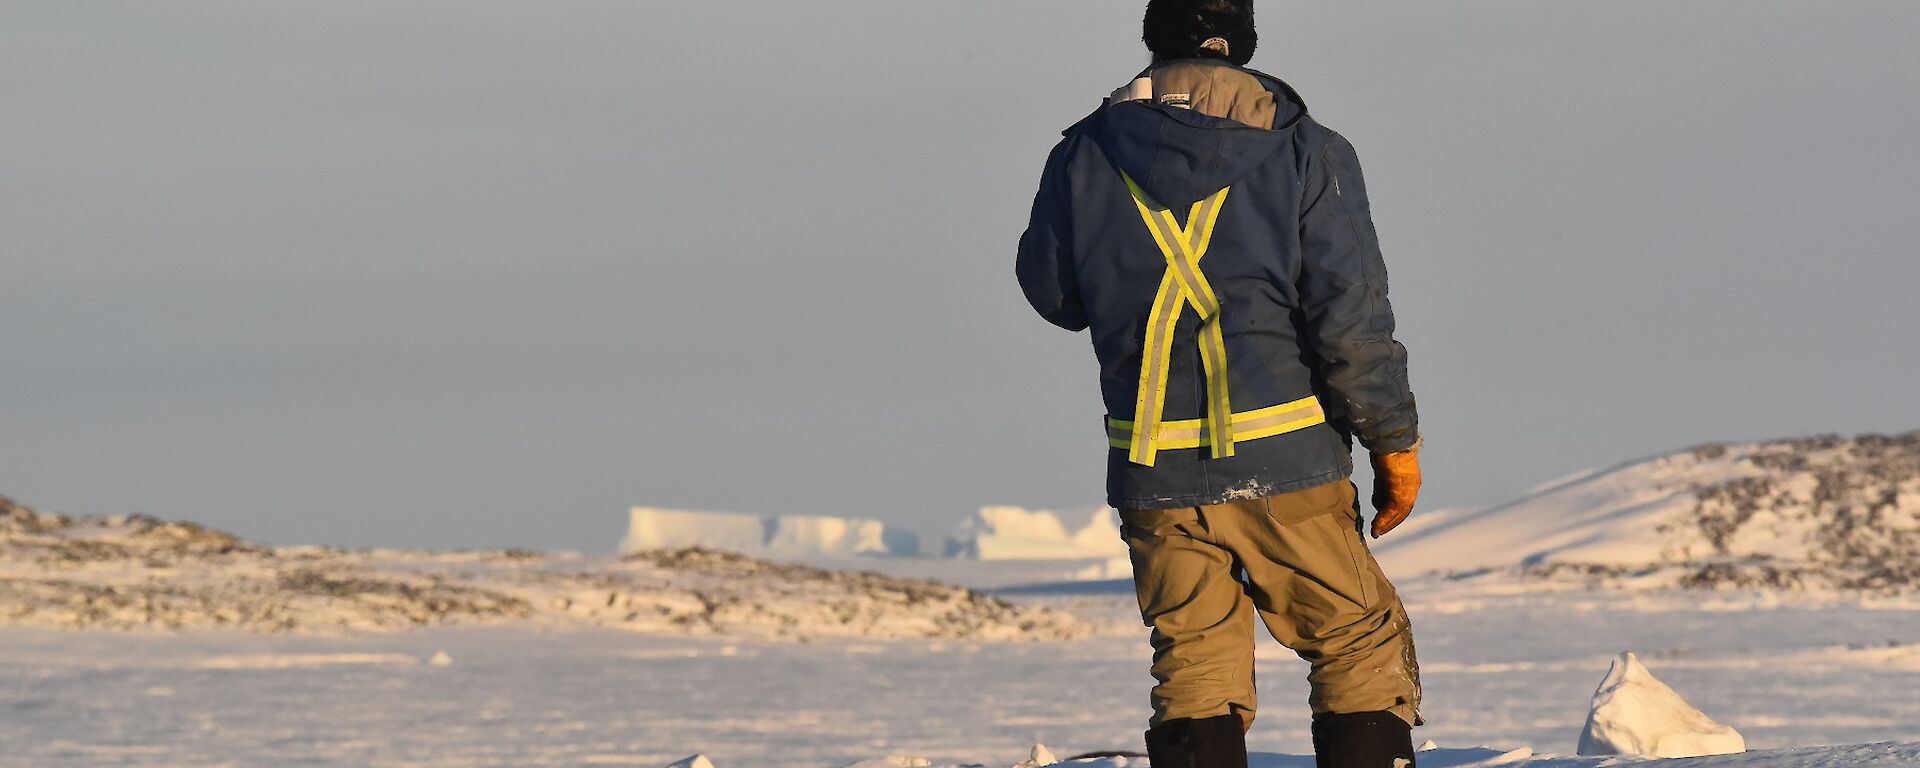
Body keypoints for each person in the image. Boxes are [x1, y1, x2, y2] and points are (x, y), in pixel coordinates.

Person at [1015, 2, 1425, 766]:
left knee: (1195, 665)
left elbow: (1054, 295)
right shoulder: (1307, 150)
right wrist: (1393, 445)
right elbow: (1351, 320)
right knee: (1356, 642)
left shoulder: (1080, 156)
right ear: (1243, 44)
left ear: (1152, 40)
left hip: (1152, 469)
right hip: (1288, 460)